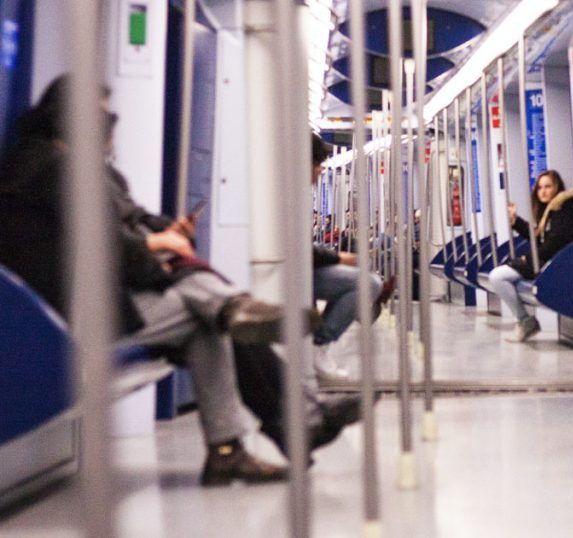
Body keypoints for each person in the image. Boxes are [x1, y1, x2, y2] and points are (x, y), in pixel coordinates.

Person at [0, 76, 291, 485]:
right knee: (204, 313)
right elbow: (109, 245)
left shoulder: (69, 166)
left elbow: (129, 225)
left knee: (204, 318)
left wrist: (163, 238)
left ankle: (230, 445)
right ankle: (234, 313)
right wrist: (159, 257)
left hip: (86, 299)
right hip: (71, 314)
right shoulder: (52, 168)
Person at [309, 135, 383, 382]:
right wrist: (337, 258)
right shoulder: (288, 196)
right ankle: (318, 344)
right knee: (367, 283)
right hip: (294, 270)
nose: (320, 170)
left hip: (301, 267)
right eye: (317, 164)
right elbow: (298, 248)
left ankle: (319, 343)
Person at [490, 170, 573, 342]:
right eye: (539, 188)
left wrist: (529, 258)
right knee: (498, 276)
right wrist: (516, 221)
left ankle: (525, 321)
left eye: (548, 187)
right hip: (548, 261)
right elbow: (539, 236)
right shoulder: (551, 210)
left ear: (557, 187)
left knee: (498, 276)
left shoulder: (565, 208)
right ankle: (524, 320)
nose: (543, 192)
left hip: (556, 264)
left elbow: (556, 241)